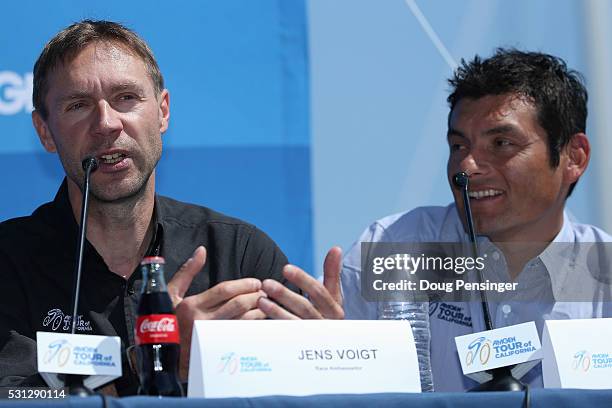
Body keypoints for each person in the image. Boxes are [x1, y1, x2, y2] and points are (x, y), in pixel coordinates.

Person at [0, 20, 343, 395]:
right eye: (78, 105)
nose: (106, 123)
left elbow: (291, 393)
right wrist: (149, 359)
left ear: (163, 111)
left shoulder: (237, 255)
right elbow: (13, 395)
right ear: (45, 131)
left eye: (126, 98)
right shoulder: (8, 261)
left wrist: (325, 361)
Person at [341, 48, 612, 391]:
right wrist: (319, 345)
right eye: (458, 146)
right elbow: (319, 357)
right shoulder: (397, 246)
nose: (466, 167)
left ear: (574, 156)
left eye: (501, 143)